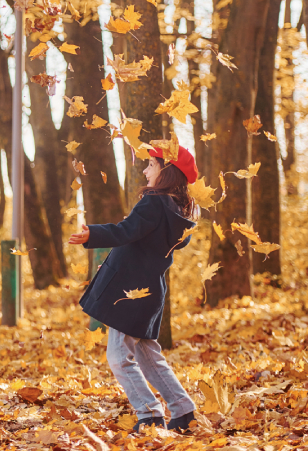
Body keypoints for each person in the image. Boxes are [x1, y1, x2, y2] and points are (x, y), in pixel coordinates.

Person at [69, 145, 199, 433]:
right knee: (148, 355)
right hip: (149, 292)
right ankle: (183, 411)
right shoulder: (178, 211)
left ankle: (150, 414)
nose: (145, 170)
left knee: (118, 357)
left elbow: (126, 231)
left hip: (130, 293)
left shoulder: (154, 203)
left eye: (151, 165)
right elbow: (138, 241)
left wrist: (94, 233)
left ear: (166, 171)